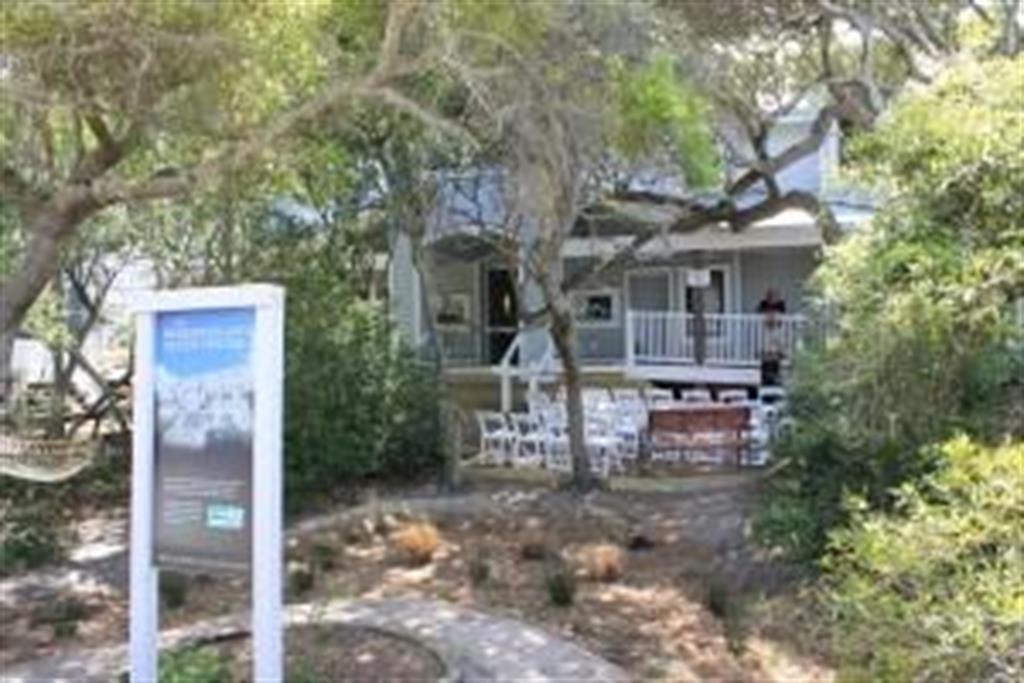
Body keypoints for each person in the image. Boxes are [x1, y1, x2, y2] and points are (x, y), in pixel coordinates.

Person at [757, 288, 786, 385]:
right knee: (767, 340)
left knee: (776, 339)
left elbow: (783, 316)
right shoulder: (763, 303)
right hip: (766, 329)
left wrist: (774, 316)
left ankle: (777, 353)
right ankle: (769, 353)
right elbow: (759, 314)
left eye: (774, 295)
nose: (772, 296)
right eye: (770, 295)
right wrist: (768, 316)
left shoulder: (780, 304)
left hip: (777, 328)